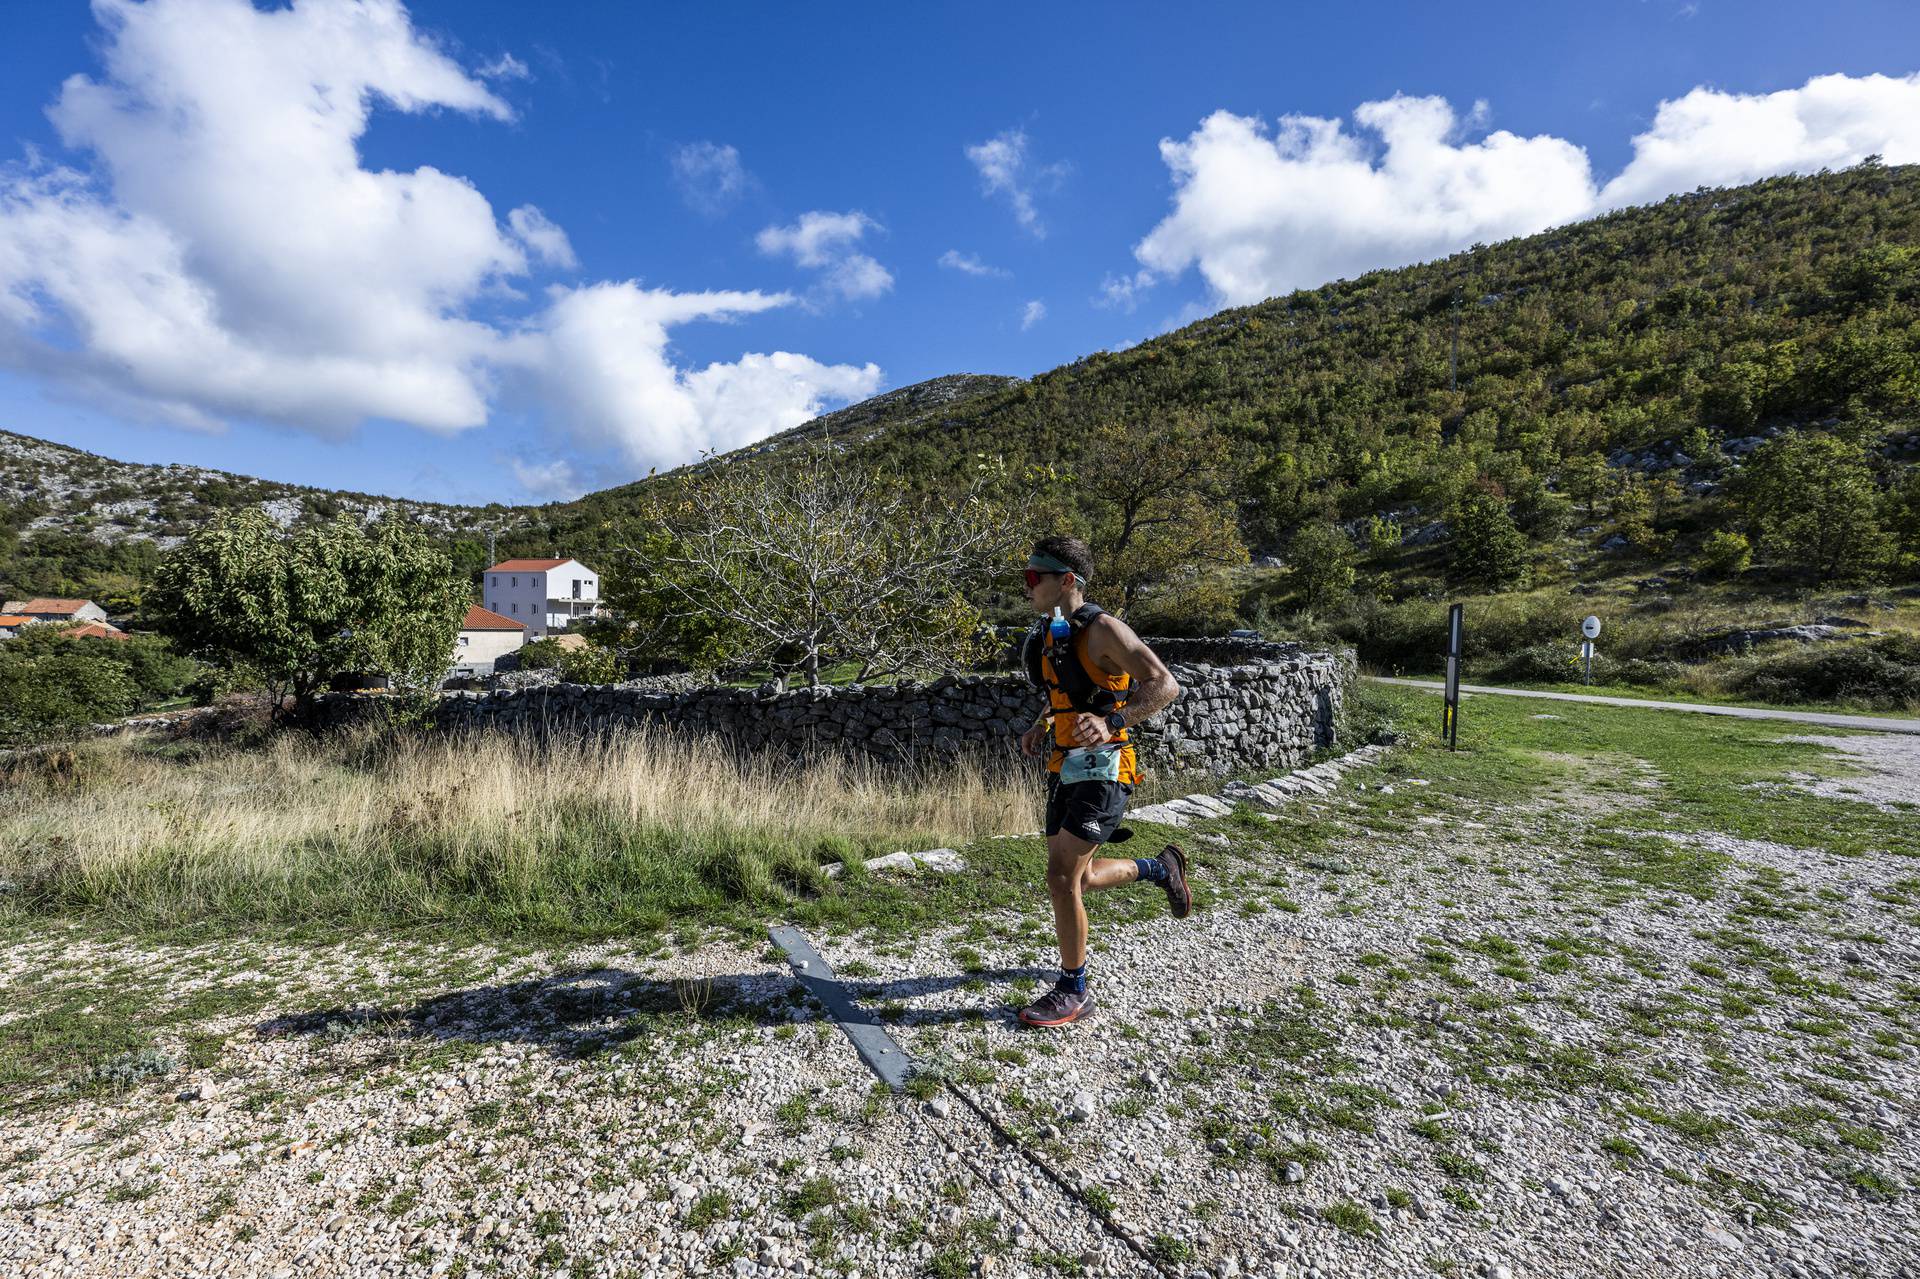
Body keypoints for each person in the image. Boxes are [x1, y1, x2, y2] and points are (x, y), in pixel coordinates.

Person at [1014, 535, 1189, 1028]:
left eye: (1034, 578)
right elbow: (1066, 692)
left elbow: (1164, 684)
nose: (1027, 587)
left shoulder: (1105, 629)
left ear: (1066, 580)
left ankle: (1074, 990)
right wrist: (1042, 724)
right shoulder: (1053, 631)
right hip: (1065, 766)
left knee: (1061, 877)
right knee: (1081, 878)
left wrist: (1115, 722)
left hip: (1107, 768)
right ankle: (1160, 868)